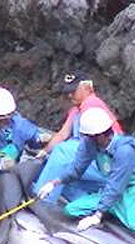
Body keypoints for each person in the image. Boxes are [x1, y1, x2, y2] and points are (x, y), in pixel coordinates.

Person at [37, 107, 135, 244]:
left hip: (129, 190)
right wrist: (55, 182)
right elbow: (77, 169)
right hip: (109, 190)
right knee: (71, 210)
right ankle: (112, 215)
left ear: (101, 135)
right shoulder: (91, 145)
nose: (86, 139)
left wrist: (98, 214)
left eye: (89, 136)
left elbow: (116, 185)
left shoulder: (124, 151)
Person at [33, 71, 123, 203]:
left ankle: (41, 201)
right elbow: (63, 134)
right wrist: (43, 152)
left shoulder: (92, 104)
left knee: (62, 153)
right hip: (90, 161)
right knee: (61, 174)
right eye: (68, 92)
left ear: (86, 88)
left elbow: (86, 146)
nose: (70, 95)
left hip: (105, 163)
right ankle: (88, 204)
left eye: (73, 91)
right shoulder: (77, 109)